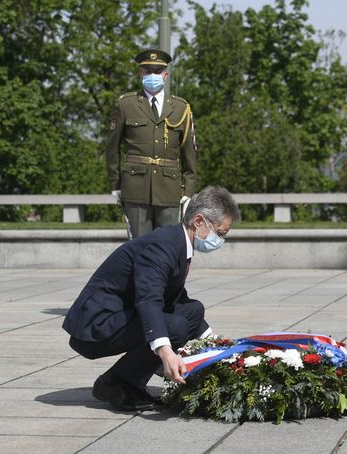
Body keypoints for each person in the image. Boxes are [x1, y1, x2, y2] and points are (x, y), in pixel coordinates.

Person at [62, 186, 240, 411]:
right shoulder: (162, 245)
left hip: (120, 316)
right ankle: (116, 384)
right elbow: (149, 300)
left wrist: (219, 344)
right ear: (198, 221)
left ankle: (131, 379)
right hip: (97, 325)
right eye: (220, 233)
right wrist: (165, 351)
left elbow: (175, 298)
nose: (220, 240)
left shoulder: (178, 242)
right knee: (174, 326)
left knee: (193, 310)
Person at [106, 48, 197, 238]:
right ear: (141, 73)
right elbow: (112, 147)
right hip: (135, 187)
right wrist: (115, 184)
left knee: (168, 247)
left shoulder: (181, 108)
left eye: (157, 72)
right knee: (139, 247)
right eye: (148, 72)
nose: (153, 76)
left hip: (170, 189)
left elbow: (189, 152)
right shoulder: (126, 104)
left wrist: (188, 188)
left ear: (165, 75)